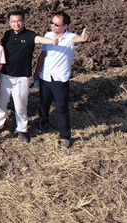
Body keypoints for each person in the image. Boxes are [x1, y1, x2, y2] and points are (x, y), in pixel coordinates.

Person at [34, 12, 91, 149]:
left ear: (65, 26)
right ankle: (42, 126)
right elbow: (43, 55)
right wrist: (36, 73)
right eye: (52, 23)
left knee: (61, 108)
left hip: (60, 79)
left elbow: (78, 39)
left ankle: (65, 135)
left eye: (57, 24)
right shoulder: (48, 36)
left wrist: (83, 38)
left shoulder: (70, 38)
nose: (53, 26)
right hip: (45, 76)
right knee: (44, 105)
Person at [0, 9, 36, 143]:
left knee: (20, 104)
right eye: (13, 21)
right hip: (6, 75)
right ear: (9, 22)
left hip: (22, 76)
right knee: (2, 102)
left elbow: (39, 39)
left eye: (19, 20)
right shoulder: (7, 34)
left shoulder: (30, 35)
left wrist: (53, 40)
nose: (16, 24)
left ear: (24, 21)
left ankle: (22, 129)